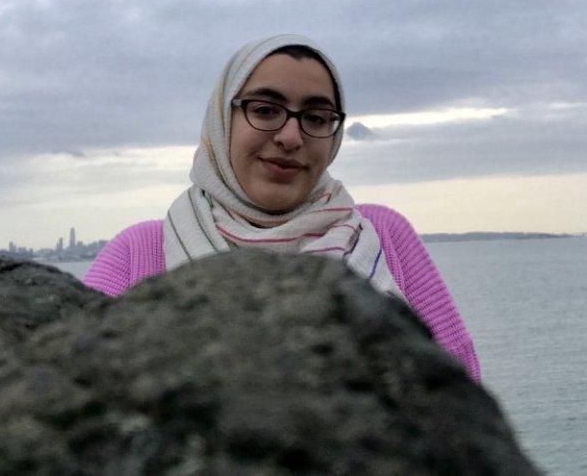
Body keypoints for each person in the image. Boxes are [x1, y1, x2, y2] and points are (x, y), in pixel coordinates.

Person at [84, 34, 480, 380]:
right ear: (223, 118)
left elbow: (462, 397)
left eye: (316, 117)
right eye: (265, 110)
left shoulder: (383, 235)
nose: (291, 137)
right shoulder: (139, 254)